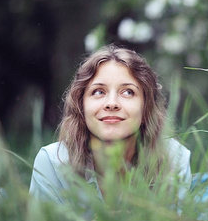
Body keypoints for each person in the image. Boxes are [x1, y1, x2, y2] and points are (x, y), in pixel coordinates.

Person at [29, 44, 191, 204]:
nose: (112, 103)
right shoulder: (52, 163)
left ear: (146, 107)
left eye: (128, 92)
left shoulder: (174, 159)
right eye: (99, 92)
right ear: (81, 106)